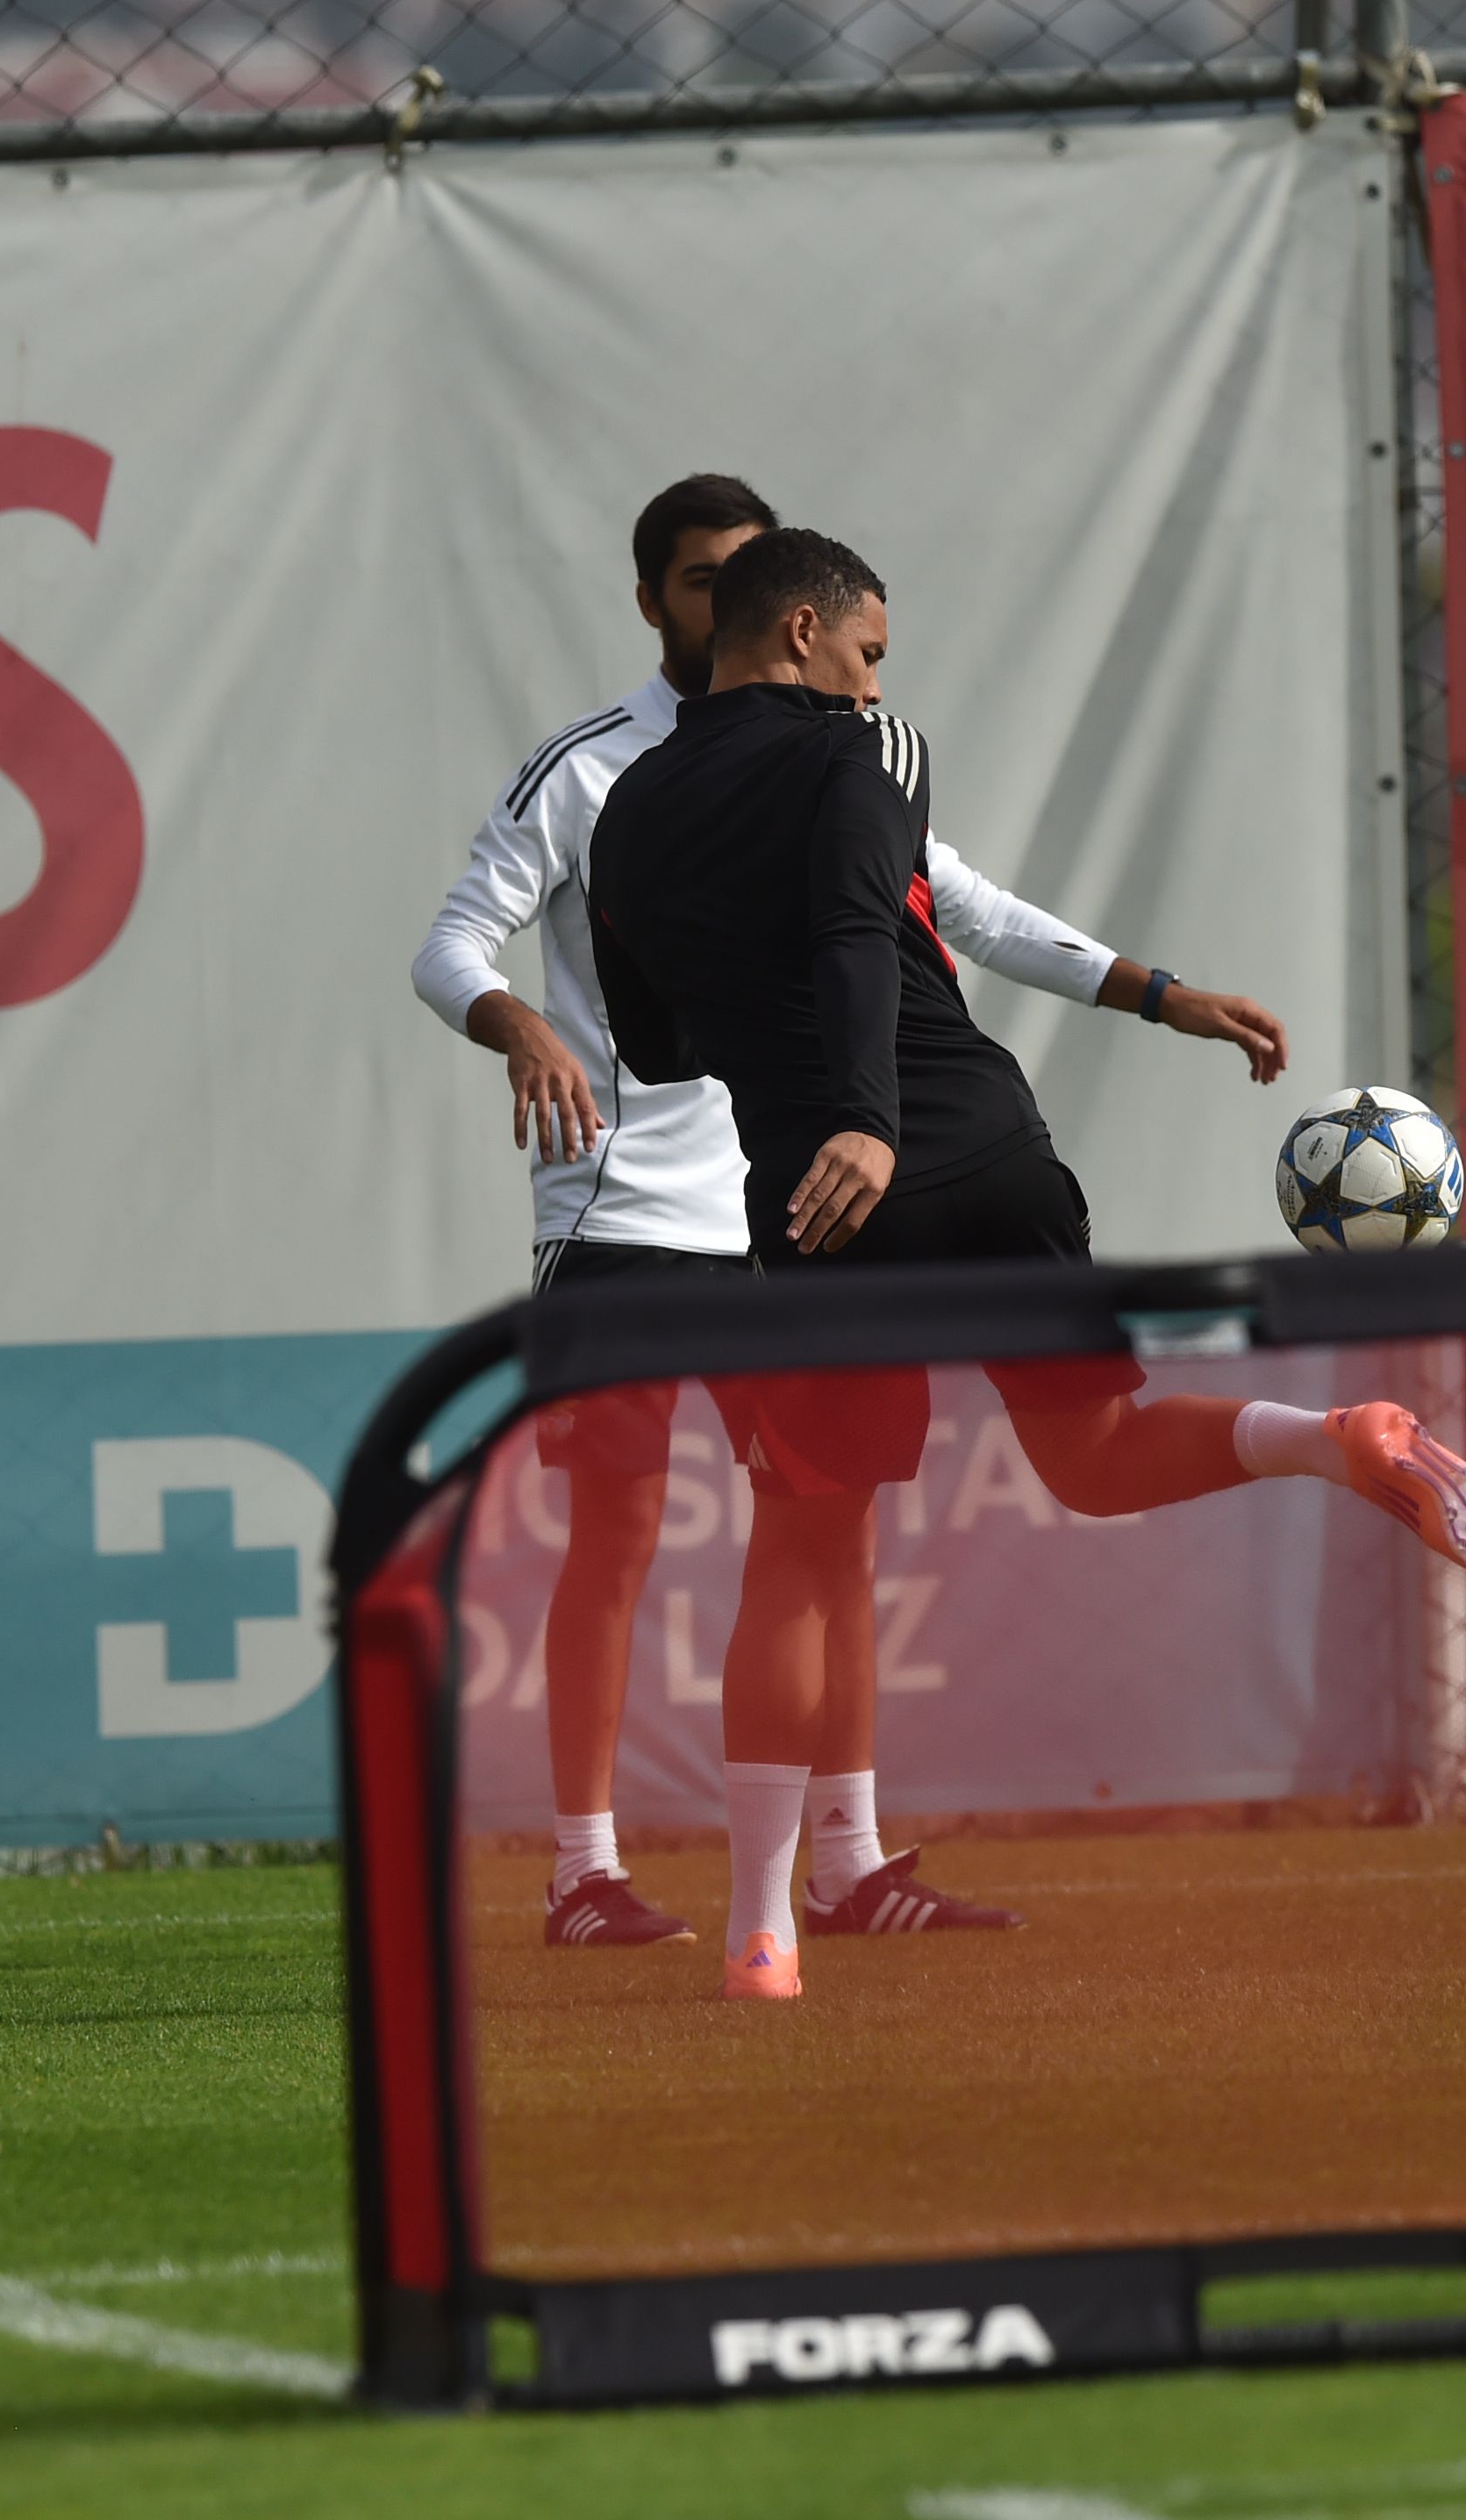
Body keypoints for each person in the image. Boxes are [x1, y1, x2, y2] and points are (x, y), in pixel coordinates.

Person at [590, 526, 1466, 2000]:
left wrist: (825, 1096)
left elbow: (656, 1044)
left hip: (820, 1199)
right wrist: (876, 1115)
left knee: (806, 1549)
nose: (878, 677)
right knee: (1093, 1455)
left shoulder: (628, 810)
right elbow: (854, 927)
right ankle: (1332, 1444)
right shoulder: (867, 747)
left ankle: (764, 1931)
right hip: (969, 1151)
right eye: (871, 649)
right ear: (810, 632)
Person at [410, 475, 1292, 1951]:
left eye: (742, 576)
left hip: (792, 1201)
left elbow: (965, 908)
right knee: (616, 1531)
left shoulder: (840, 759)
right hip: (624, 1205)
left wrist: (1152, 989)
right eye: (696, 579)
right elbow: (452, 942)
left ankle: (848, 1864)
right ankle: (582, 1870)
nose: (721, 600)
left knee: (829, 1534)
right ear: (659, 604)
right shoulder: (590, 775)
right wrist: (520, 1024)